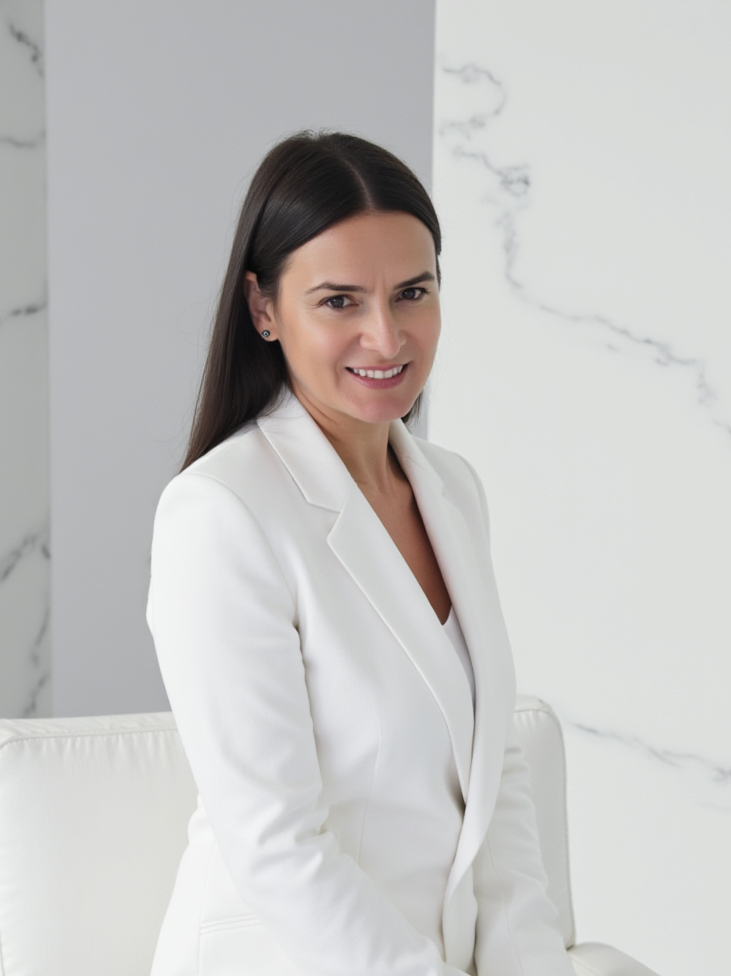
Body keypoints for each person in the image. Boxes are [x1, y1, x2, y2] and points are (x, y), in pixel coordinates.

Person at [147, 131, 576, 976]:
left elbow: (496, 780)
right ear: (263, 308)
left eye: (412, 292)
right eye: (339, 302)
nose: (386, 338)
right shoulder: (220, 514)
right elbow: (276, 846)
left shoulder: (453, 490)